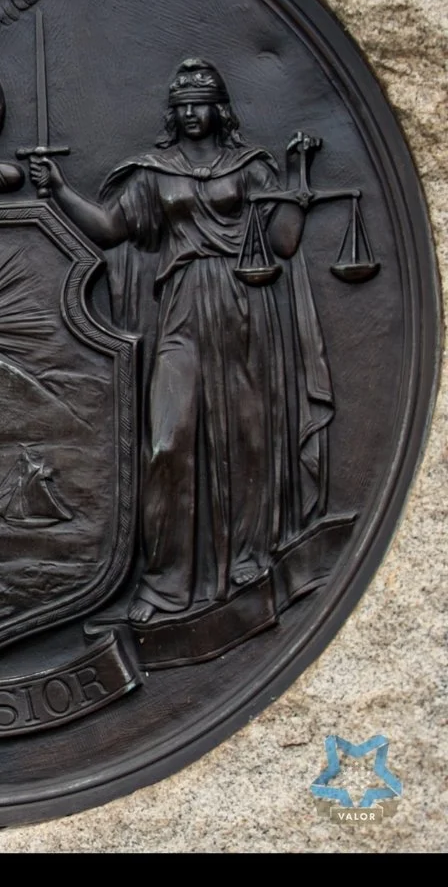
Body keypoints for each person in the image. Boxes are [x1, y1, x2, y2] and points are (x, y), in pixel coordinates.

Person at [29, 58, 334, 624]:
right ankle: (167, 582)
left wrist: (297, 177)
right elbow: (108, 229)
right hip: (182, 309)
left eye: (201, 104)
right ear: (172, 114)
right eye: (182, 106)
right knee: (168, 439)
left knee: (248, 439)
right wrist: (60, 191)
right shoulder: (153, 173)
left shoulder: (249, 168)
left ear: (220, 110)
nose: (191, 114)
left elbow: (284, 244)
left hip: (245, 307)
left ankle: (248, 560)